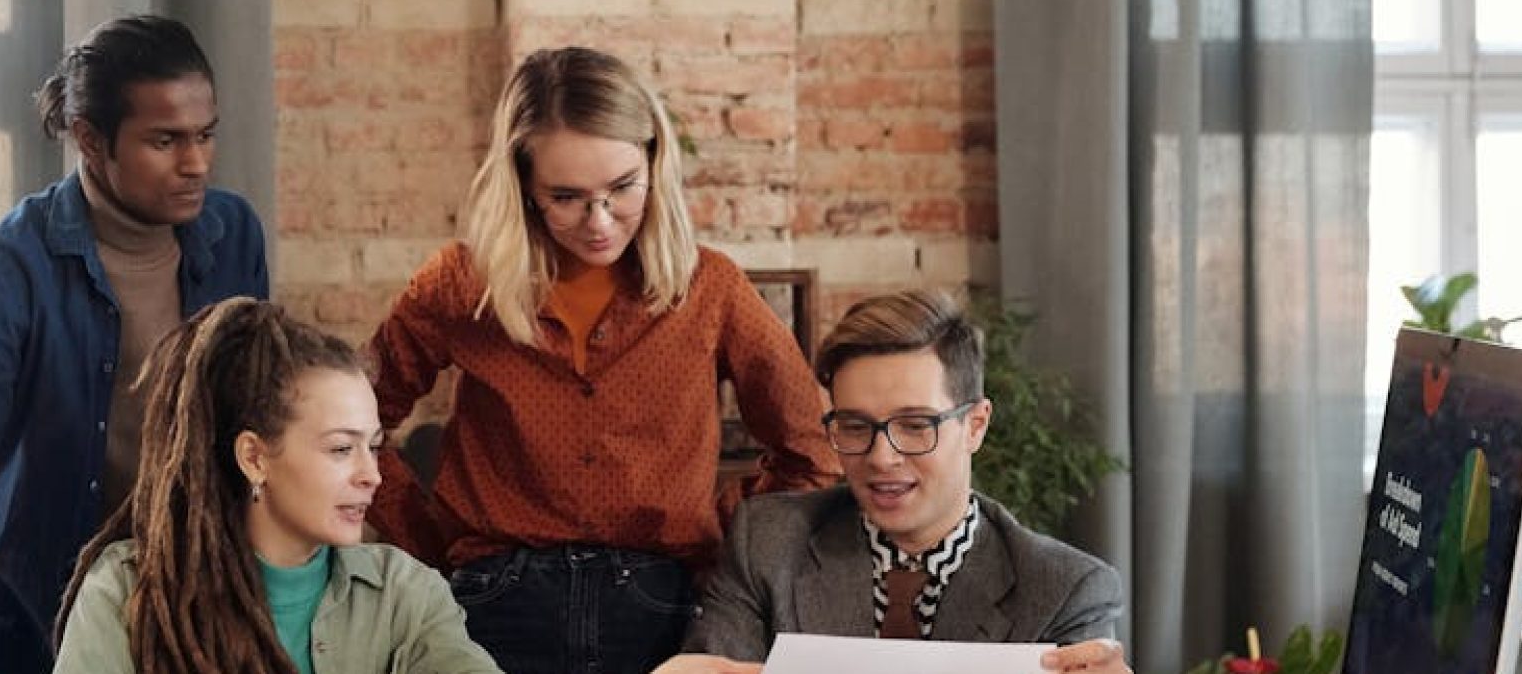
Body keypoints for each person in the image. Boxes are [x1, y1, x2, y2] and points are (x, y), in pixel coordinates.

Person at [367, 46, 841, 674]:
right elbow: (352, 426)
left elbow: (813, 451)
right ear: (523, 187)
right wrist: (429, 546)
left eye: (621, 189)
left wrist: (718, 528)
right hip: (494, 600)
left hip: (660, 603)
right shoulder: (460, 285)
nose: (599, 222)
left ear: (655, 161)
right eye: (565, 197)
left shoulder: (712, 289)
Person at [0, 15, 269, 674]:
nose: (195, 162)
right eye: (164, 140)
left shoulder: (234, 238)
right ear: (89, 139)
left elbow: (252, 431)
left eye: (205, 135)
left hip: (183, 637)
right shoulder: (7, 268)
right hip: (21, 639)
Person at [660, 290, 1131, 674]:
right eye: (855, 426)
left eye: (915, 425)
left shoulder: (1064, 588)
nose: (881, 458)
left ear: (975, 426)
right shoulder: (766, 543)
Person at [52, 298, 499, 674]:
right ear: (254, 457)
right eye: (342, 449)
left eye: (375, 446)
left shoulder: (406, 595)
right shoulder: (126, 593)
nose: (372, 474)